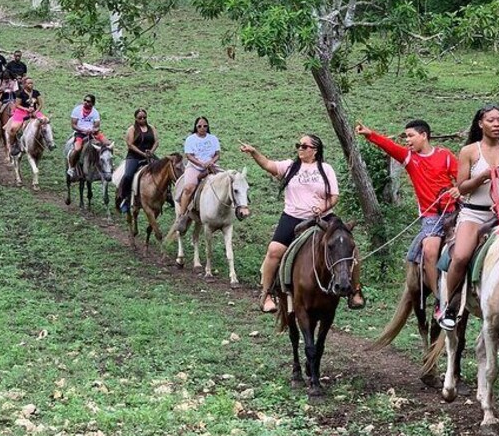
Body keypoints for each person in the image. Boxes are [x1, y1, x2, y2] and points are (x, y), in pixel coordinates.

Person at [240, 135, 364, 312]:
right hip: (293, 216)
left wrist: (323, 207)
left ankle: (355, 290)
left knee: (351, 247)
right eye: (298, 145)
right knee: (274, 251)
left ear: (315, 150)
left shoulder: (326, 169)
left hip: (323, 217)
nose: (300, 148)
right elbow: (268, 165)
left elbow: (334, 196)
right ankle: (266, 294)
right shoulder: (290, 166)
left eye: (304, 146)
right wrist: (254, 152)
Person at [439, 104, 499, 330]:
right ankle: (451, 306)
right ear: (480, 123)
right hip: (475, 213)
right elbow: (462, 187)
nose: (496, 124)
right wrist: (482, 177)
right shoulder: (469, 151)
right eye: (491, 120)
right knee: (461, 256)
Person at [356, 120, 458, 299]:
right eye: (406, 137)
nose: (407, 140)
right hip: (431, 217)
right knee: (429, 250)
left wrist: (459, 189)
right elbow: (390, 147)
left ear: (424, 135)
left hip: (455, 212)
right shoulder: (410, 158)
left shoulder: (446, 155)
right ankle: (438, 296)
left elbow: (462, 177)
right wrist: (369, 134)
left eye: (411, 136)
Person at [175, 117, 221, 234]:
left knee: (227, 182)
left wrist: (211, 162)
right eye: (199, 126)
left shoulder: (213, 138)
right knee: (189, 187)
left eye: (205, 126)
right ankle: (182, 216)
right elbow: (189, 156)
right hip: (195, 167)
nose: (202, 128)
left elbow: (217, 154)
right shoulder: (191, 139)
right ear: (196, 127)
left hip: (211, 166)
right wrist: (201, 163)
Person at [118, 108, 159, 213]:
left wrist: (151, 152)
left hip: (149, 156)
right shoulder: (132, 129)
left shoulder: (152, 128)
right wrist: (142, 153)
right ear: (136, 118)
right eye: (140, 118)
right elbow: (130, 144)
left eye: (144, 117)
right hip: (134, 157)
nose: (142, 119)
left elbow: (156, 142)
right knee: (128, 175)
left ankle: (166, 195)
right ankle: (125, 198)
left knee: (163, 170)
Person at [67, 94, 110, 177]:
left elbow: (97, 126)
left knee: (108, 143)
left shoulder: (95, 112)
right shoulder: (77, 110)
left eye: (88, 101)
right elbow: (73, 124)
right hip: (80, 133)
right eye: (85, 100)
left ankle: (108, 163)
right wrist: (83, 130)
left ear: (92, 104)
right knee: (77, 149)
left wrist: (93, 130)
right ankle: (71, 167)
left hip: (93, 133)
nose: (86, 102)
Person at [5, 77, 47, 156]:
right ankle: (13, 144)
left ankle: (47, 141)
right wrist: (26, 109)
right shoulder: (20, 93)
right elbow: (17, 105)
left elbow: (40, 104)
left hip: (34, 112)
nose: (31, 85)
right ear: (24, 84)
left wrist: (36, 111)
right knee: (14, 128)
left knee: (45, 121)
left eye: (32, 83)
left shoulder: (36, 93)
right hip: (22, 112)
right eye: (29, 83)